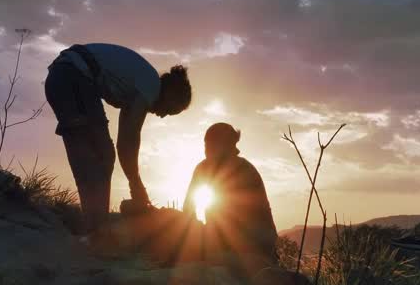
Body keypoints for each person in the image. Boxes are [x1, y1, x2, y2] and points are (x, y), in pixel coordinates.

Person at [44, 43, 192, 236]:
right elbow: (131, 140)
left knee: (98, 153)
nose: (164, 116)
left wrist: (134, 184)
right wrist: (137, 185)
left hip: (62, 78)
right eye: (171, 110)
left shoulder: (138, 87)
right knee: (99, 154)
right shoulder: (150, 87)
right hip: (73, 78)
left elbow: (124, 143)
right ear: (171, 94)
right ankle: (96, 230)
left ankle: (94, 226)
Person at [183, 123, 278, 264]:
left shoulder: (245, 171)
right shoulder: (203, 168)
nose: (206, 150)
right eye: (206, 146)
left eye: (210, 146)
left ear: (227, 146)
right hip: (232, 244)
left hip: (254, 247)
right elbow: (188, 208)